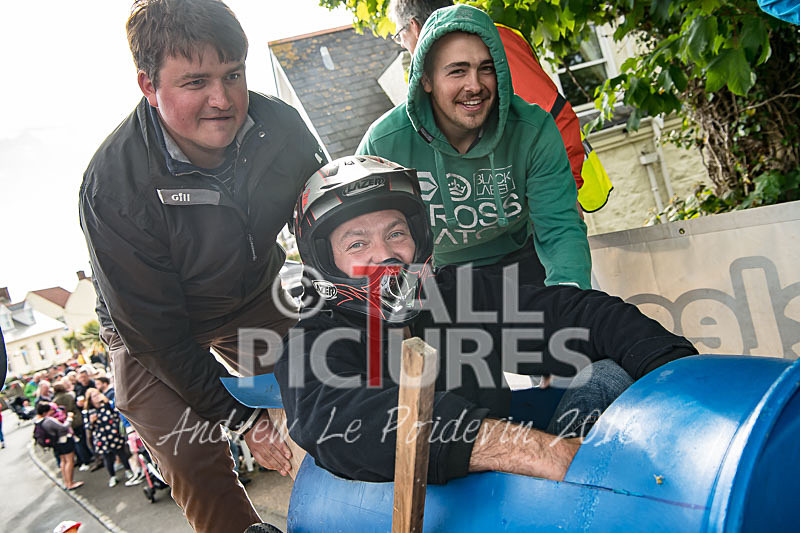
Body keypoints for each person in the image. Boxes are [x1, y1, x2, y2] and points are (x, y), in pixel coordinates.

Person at [275, 156, 697, 484]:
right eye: (357, 242)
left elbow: (576, 315)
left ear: (417, 239)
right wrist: (536, 452)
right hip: (416, 512)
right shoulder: (310, 341)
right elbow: (339, 420)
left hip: (514, 499)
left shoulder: (452, 296)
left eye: (396, 233)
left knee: (607, 371)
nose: (384, 253)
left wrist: (680, 371)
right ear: (325, 260)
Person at [78, 1, 326, 531]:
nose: (223, 100)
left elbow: (328, 229)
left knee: (333, 384)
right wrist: (243, 421)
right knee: (194, 458)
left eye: (233, 74)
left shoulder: (279, 127)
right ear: (148, 85)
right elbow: (158, 336)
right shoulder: (113, 187)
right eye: (195, 82)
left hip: (252, 295)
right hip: (150, 332)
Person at [358, 4, 591, 288]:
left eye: (486, 69)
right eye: (457, 71)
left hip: (524, 263)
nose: (475, 85)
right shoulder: (384, 143)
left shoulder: (533, 129)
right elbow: (362, 238)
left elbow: (560, 231)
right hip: (437, 277)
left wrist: (570, 305)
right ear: (426, 80)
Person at [85, 388, 138, 487]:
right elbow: (88, 427)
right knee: (108, 458)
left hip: (114, 435)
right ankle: (112, 476)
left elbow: (116, 415)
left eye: (98, 394)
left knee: (122, 454)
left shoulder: (107, 405)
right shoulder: (88, 412)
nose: (97, 397)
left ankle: (128, 470)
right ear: (90, 399)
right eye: (94, 396)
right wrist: (91, 422)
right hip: (102, 439)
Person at [36, 402, 84, 490]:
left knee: (63, 461)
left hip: (56, 443)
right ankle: (70, 483)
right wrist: (69, 418)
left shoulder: (38, 421)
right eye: (50, 410)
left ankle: (66, 482)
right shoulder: (48, 420)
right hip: (64, 441)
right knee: (69, 461)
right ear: (45, 412)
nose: (52, 411)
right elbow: (63, 427)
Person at [52, 381, 94, 471]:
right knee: (82, 439)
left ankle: (84, 459)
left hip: (68, 421)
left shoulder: (55, 401)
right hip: (77, 418)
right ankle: (88, 456)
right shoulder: (70, 395)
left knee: (77, 441)